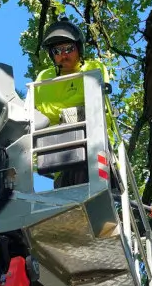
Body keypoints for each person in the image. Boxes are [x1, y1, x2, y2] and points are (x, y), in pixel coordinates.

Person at [33, 20, 110, 188]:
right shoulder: (44, 77)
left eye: (69, 49)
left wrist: (58, 114)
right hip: (60, 160)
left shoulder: (92, 68)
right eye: (57, 51)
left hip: (92, 148)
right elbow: (34, 115)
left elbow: (92, 101)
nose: (63, 55)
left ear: (79, 49)